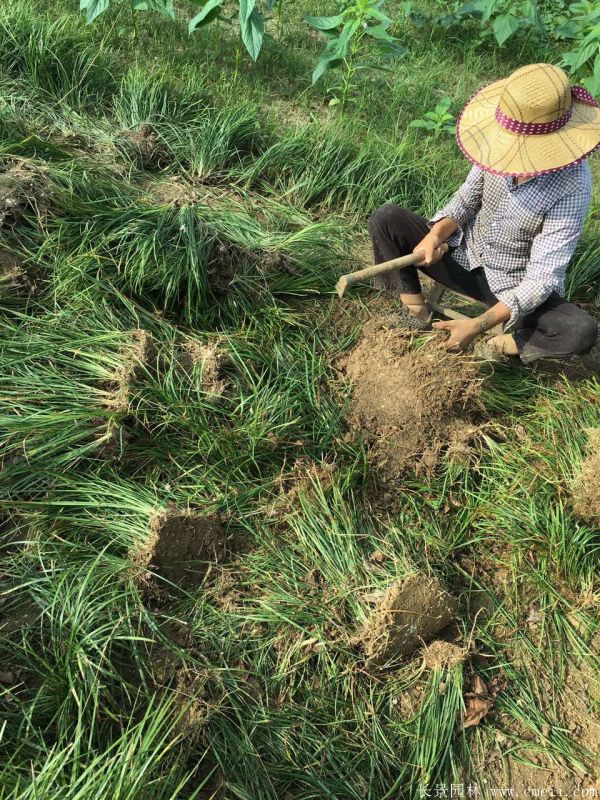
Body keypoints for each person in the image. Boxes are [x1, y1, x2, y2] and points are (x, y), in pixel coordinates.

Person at [369, 63, 600, 362]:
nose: (514, 158)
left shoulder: (572, 186)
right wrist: (435, 235)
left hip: (511, 286)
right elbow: (466, 201)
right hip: (464, 255)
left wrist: (478, 326)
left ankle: (495, 347)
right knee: (386, 219)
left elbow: (542, 279)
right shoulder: (498, 142)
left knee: (580, 331)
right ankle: (418, 314)